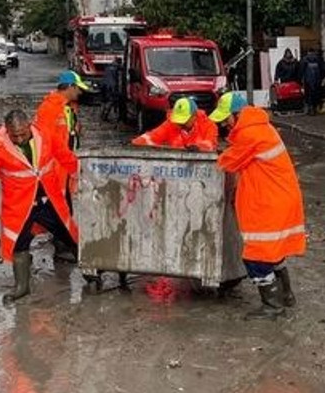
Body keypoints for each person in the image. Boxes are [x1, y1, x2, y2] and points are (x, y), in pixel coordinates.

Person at [209, 92, 306, 319]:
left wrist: (214, 153)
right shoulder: (260, 127)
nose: (224, 123)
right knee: (272, 252)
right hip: (278, 197)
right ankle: (286, 296)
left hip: (269, 202)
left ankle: (273, 305)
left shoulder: (250, 134)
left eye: (226, 119)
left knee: (255, 257)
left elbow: (228, 162)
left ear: (238, 114)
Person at [0, 110, 80, 302]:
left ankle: (91, 270)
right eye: (15, 136)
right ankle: (22, 286)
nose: (19, 139)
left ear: (29, 126)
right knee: (19, 243)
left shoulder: (44, 134)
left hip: (49, 198)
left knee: (69, 235)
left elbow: (64, 155)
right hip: (19, 204)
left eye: (22, 133)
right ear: (7, 132)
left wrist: (82, 174)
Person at [131, 97, 219, 151]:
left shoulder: (209, 125)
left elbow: (211, 144)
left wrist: (198, 147)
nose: (180, 123)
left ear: (194, 116)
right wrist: (134, 143)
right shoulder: (172, 123)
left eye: (184, 120)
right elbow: (152, 137)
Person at [35, 70, 91, 154]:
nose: (80, 92)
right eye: (78, 88)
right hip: (56, 160)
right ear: (71, 86)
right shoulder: (49, 107)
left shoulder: (69, 106)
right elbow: (43, 140)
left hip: (67, 156)